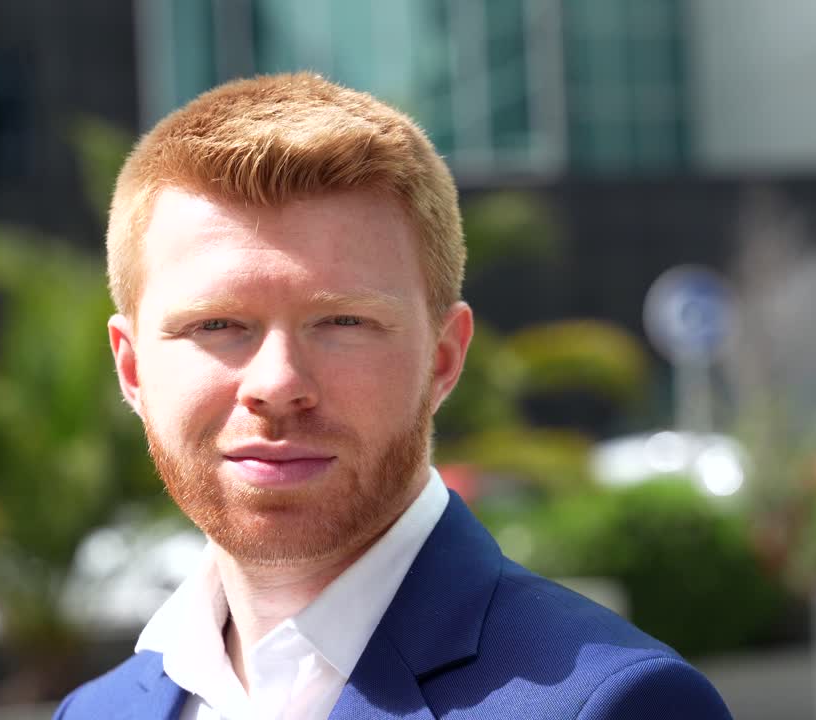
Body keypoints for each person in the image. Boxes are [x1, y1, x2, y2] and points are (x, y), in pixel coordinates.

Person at [55, 73, 732, 719]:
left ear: (443, 359)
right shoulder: (94, 712)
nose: (278, 383)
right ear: (133, 368)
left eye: (343, 322)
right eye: (217, 326)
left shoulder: (613, 705)